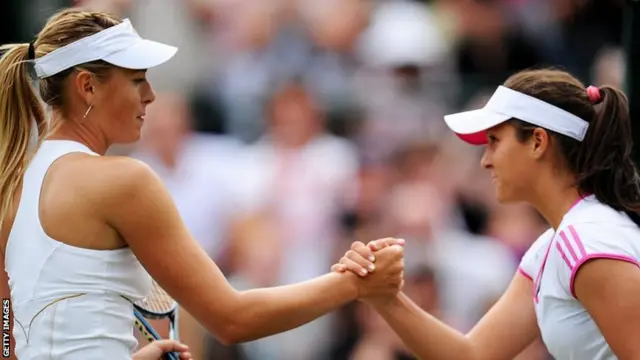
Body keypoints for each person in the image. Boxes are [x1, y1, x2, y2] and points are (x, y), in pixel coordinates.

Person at [0, 8, 406, 360]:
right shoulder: (124, 180)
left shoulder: (12, 182)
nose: (151, 96)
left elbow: (5, 336)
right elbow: (231, 318)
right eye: (137, 80)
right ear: (87, 86)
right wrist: (356, 283)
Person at [336, 68, 640, 360]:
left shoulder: (586, 242)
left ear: (537, 142)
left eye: (494, 141)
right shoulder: (555, 246)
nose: (485, 161)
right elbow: (472, 354)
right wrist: (385, 298)